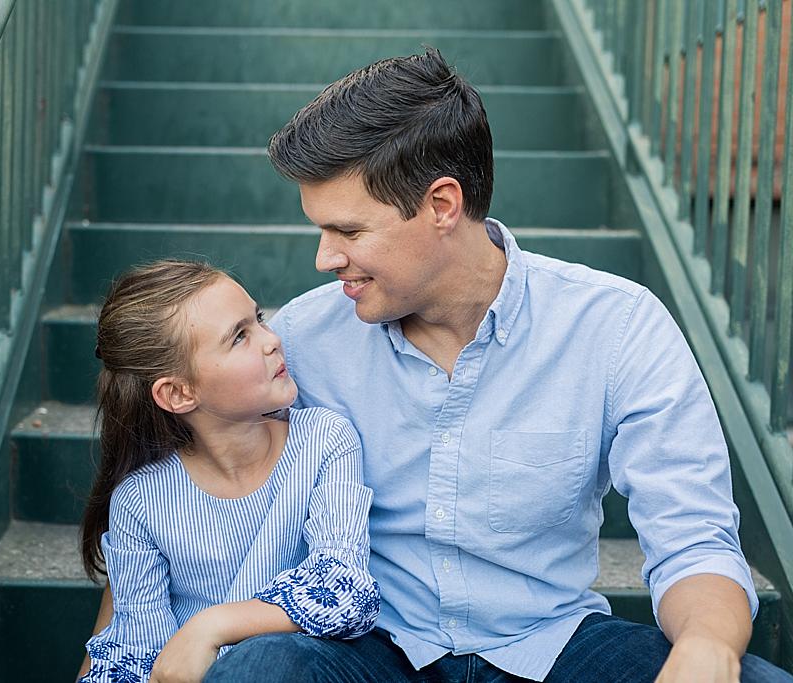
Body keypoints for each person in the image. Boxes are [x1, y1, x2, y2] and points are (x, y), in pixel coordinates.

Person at [204, 50, 793, 682]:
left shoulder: (616, 326)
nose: (325, 258)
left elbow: (694, 539)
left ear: (442, 204)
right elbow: (175, 475)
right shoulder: (297, 340)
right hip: (368, 646)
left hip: (552, 645)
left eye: (348, 231)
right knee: (260, 670)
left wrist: (706, 647)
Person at [74, 260, 379, 683]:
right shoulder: (141, 501)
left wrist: (210, 627)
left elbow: (344, 591)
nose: (271, 340)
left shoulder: (324, 441)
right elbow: (140, 647)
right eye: (239, 337)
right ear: (179, 393)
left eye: (258, 319)